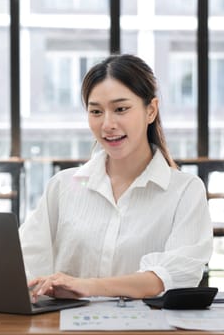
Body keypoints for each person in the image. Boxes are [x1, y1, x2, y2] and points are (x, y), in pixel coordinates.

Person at [19, 54, 213, 302]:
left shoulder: (185, 191)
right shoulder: (63, 186)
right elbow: (23, 262)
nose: (107, 124)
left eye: (121, 109)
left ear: (151, 110)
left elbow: (172, 276)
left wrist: (88, 286)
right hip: (67, 334)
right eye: (96, 111)